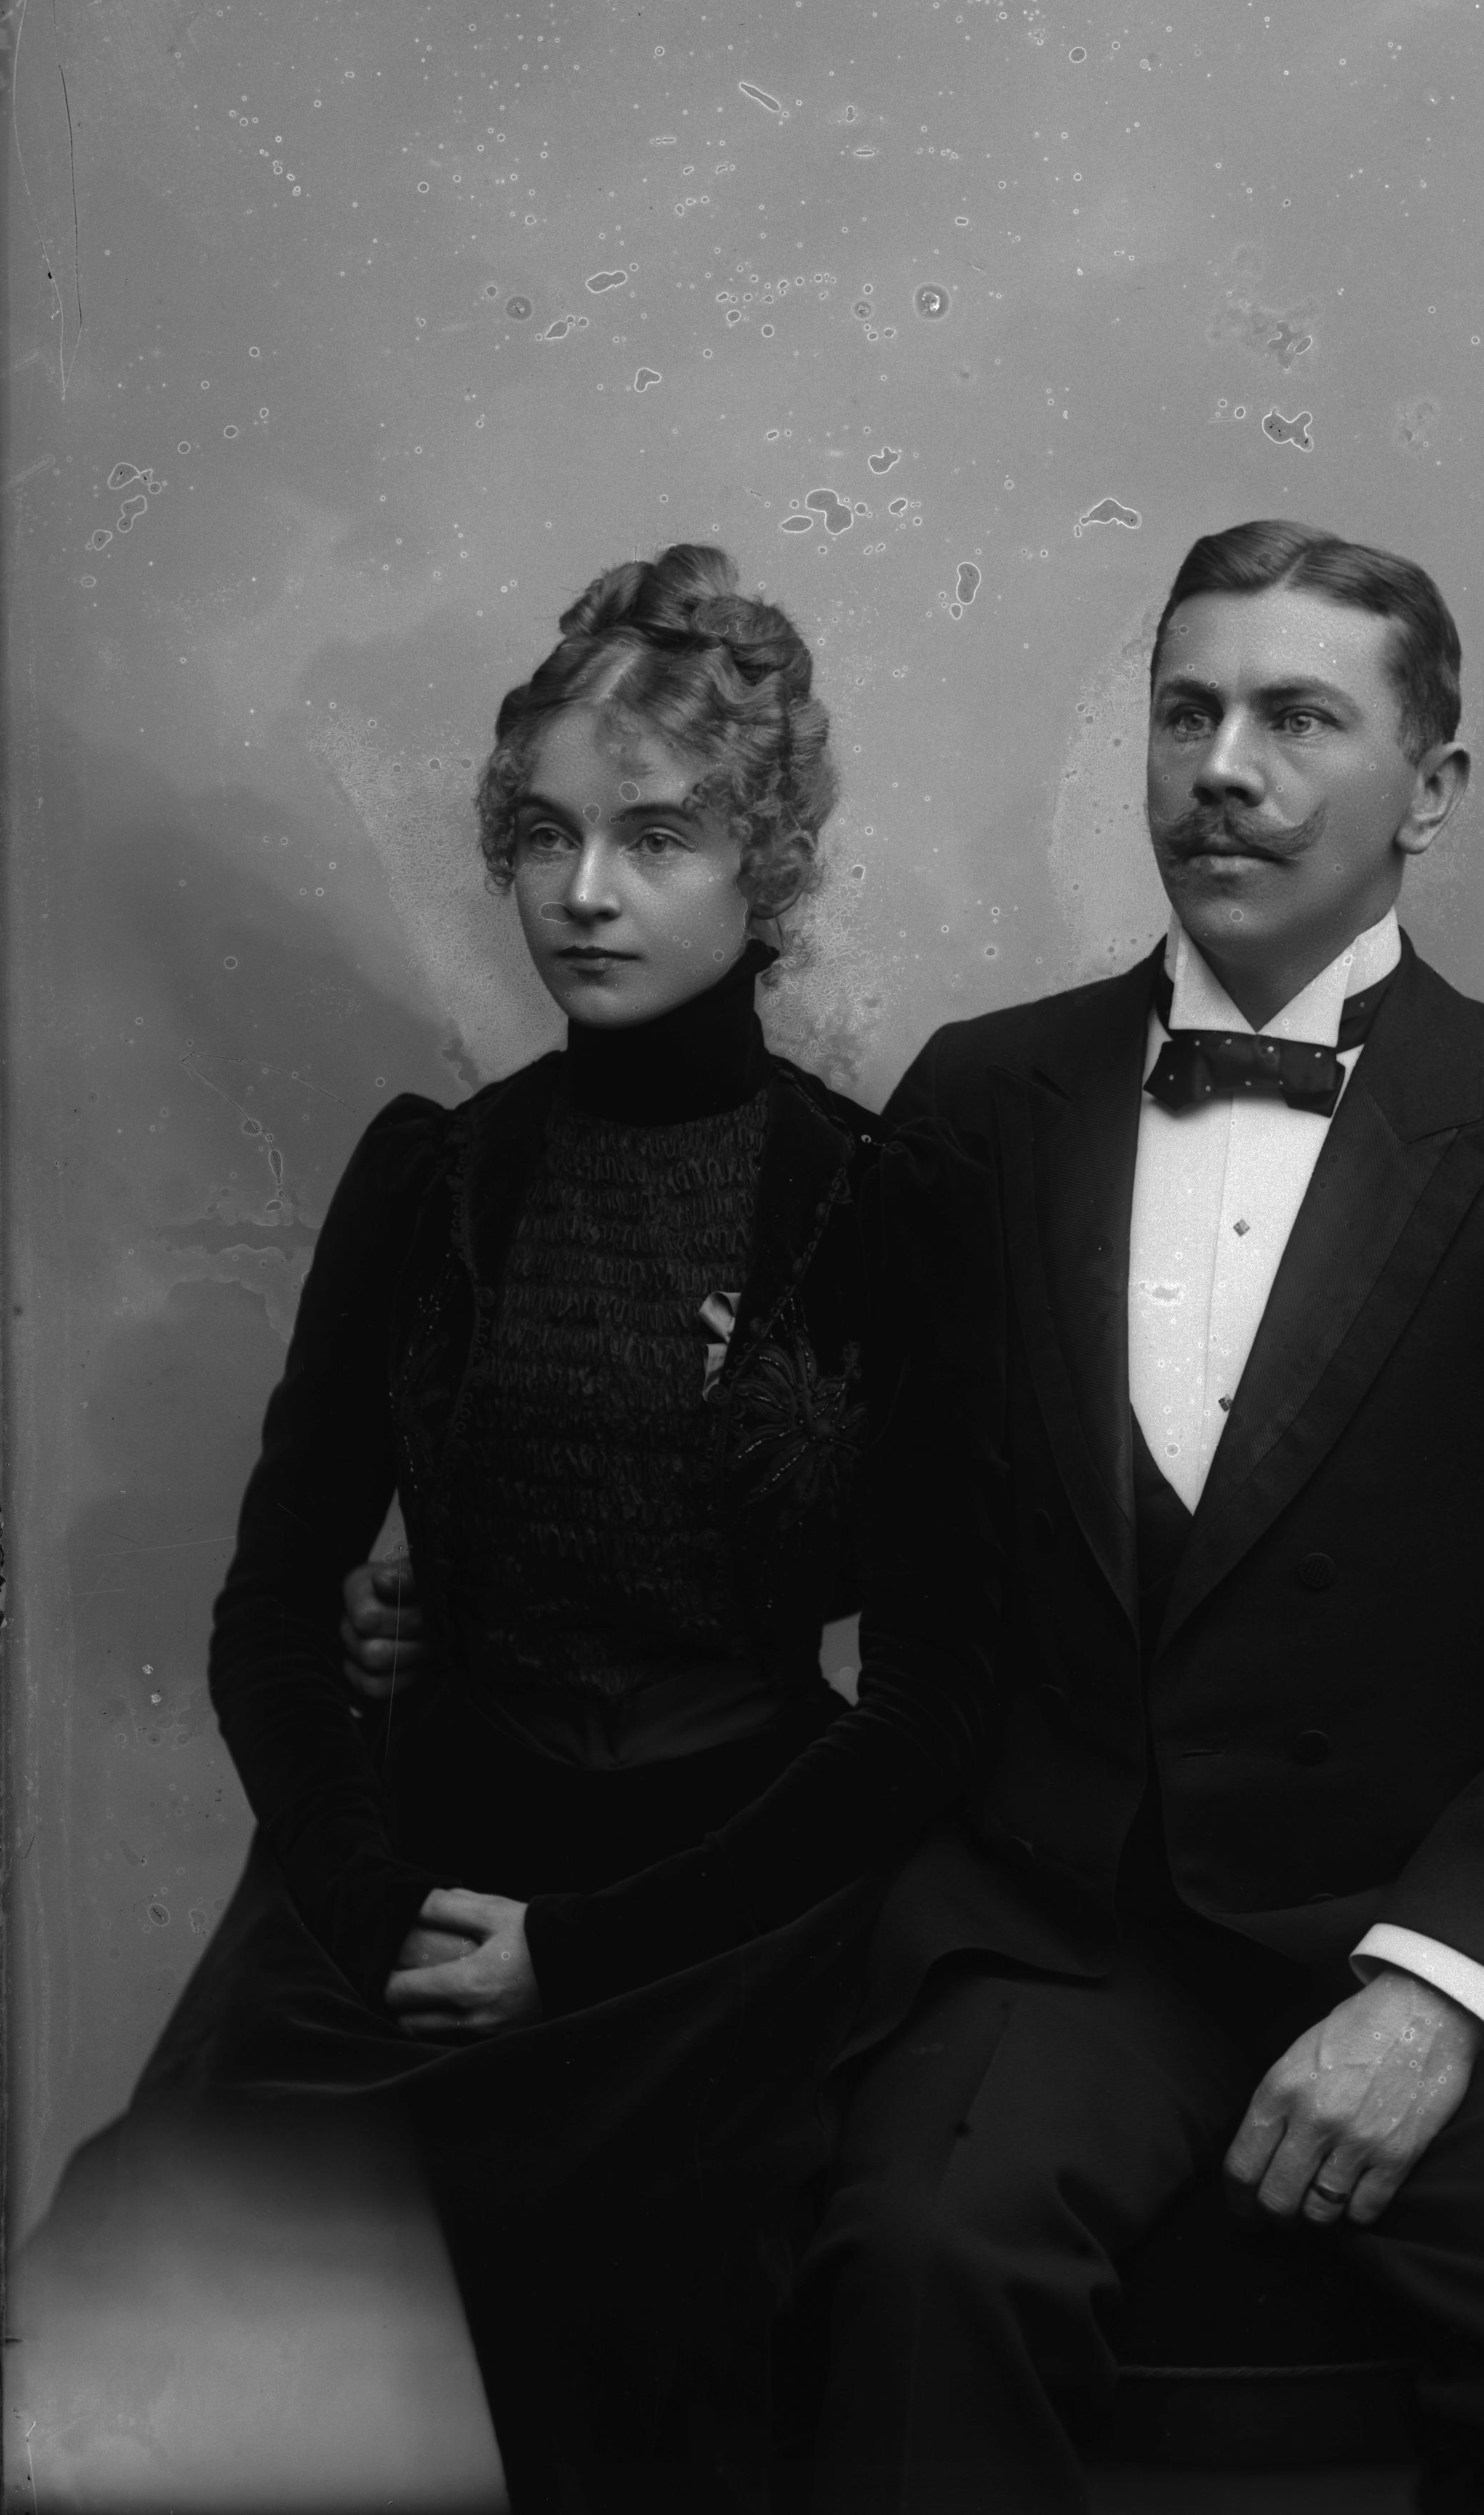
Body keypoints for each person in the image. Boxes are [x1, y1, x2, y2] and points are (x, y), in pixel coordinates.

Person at [797, 520, 1484, 2514]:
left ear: (1428, 789)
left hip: (1427, 1920)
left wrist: (1439, 1992)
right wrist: (478, 1569)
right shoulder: (983, 1103)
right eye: (1185, 712)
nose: (1222, 769)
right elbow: (839, 1502)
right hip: (1066, 1937)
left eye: (1296, 718)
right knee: (918, 2279)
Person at [26, 545, 992, 2514]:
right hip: (417, 1872)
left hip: (722, 1908)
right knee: (145, 2317)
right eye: (546, 834)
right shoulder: (434, 1179)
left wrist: (577, 1953)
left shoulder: (871, 1203)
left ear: (765, 866)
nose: (586, 891)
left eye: (657, 836)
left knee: (655, 2332)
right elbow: (271, 1612)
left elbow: (931, 1709)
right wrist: (374, 1904)